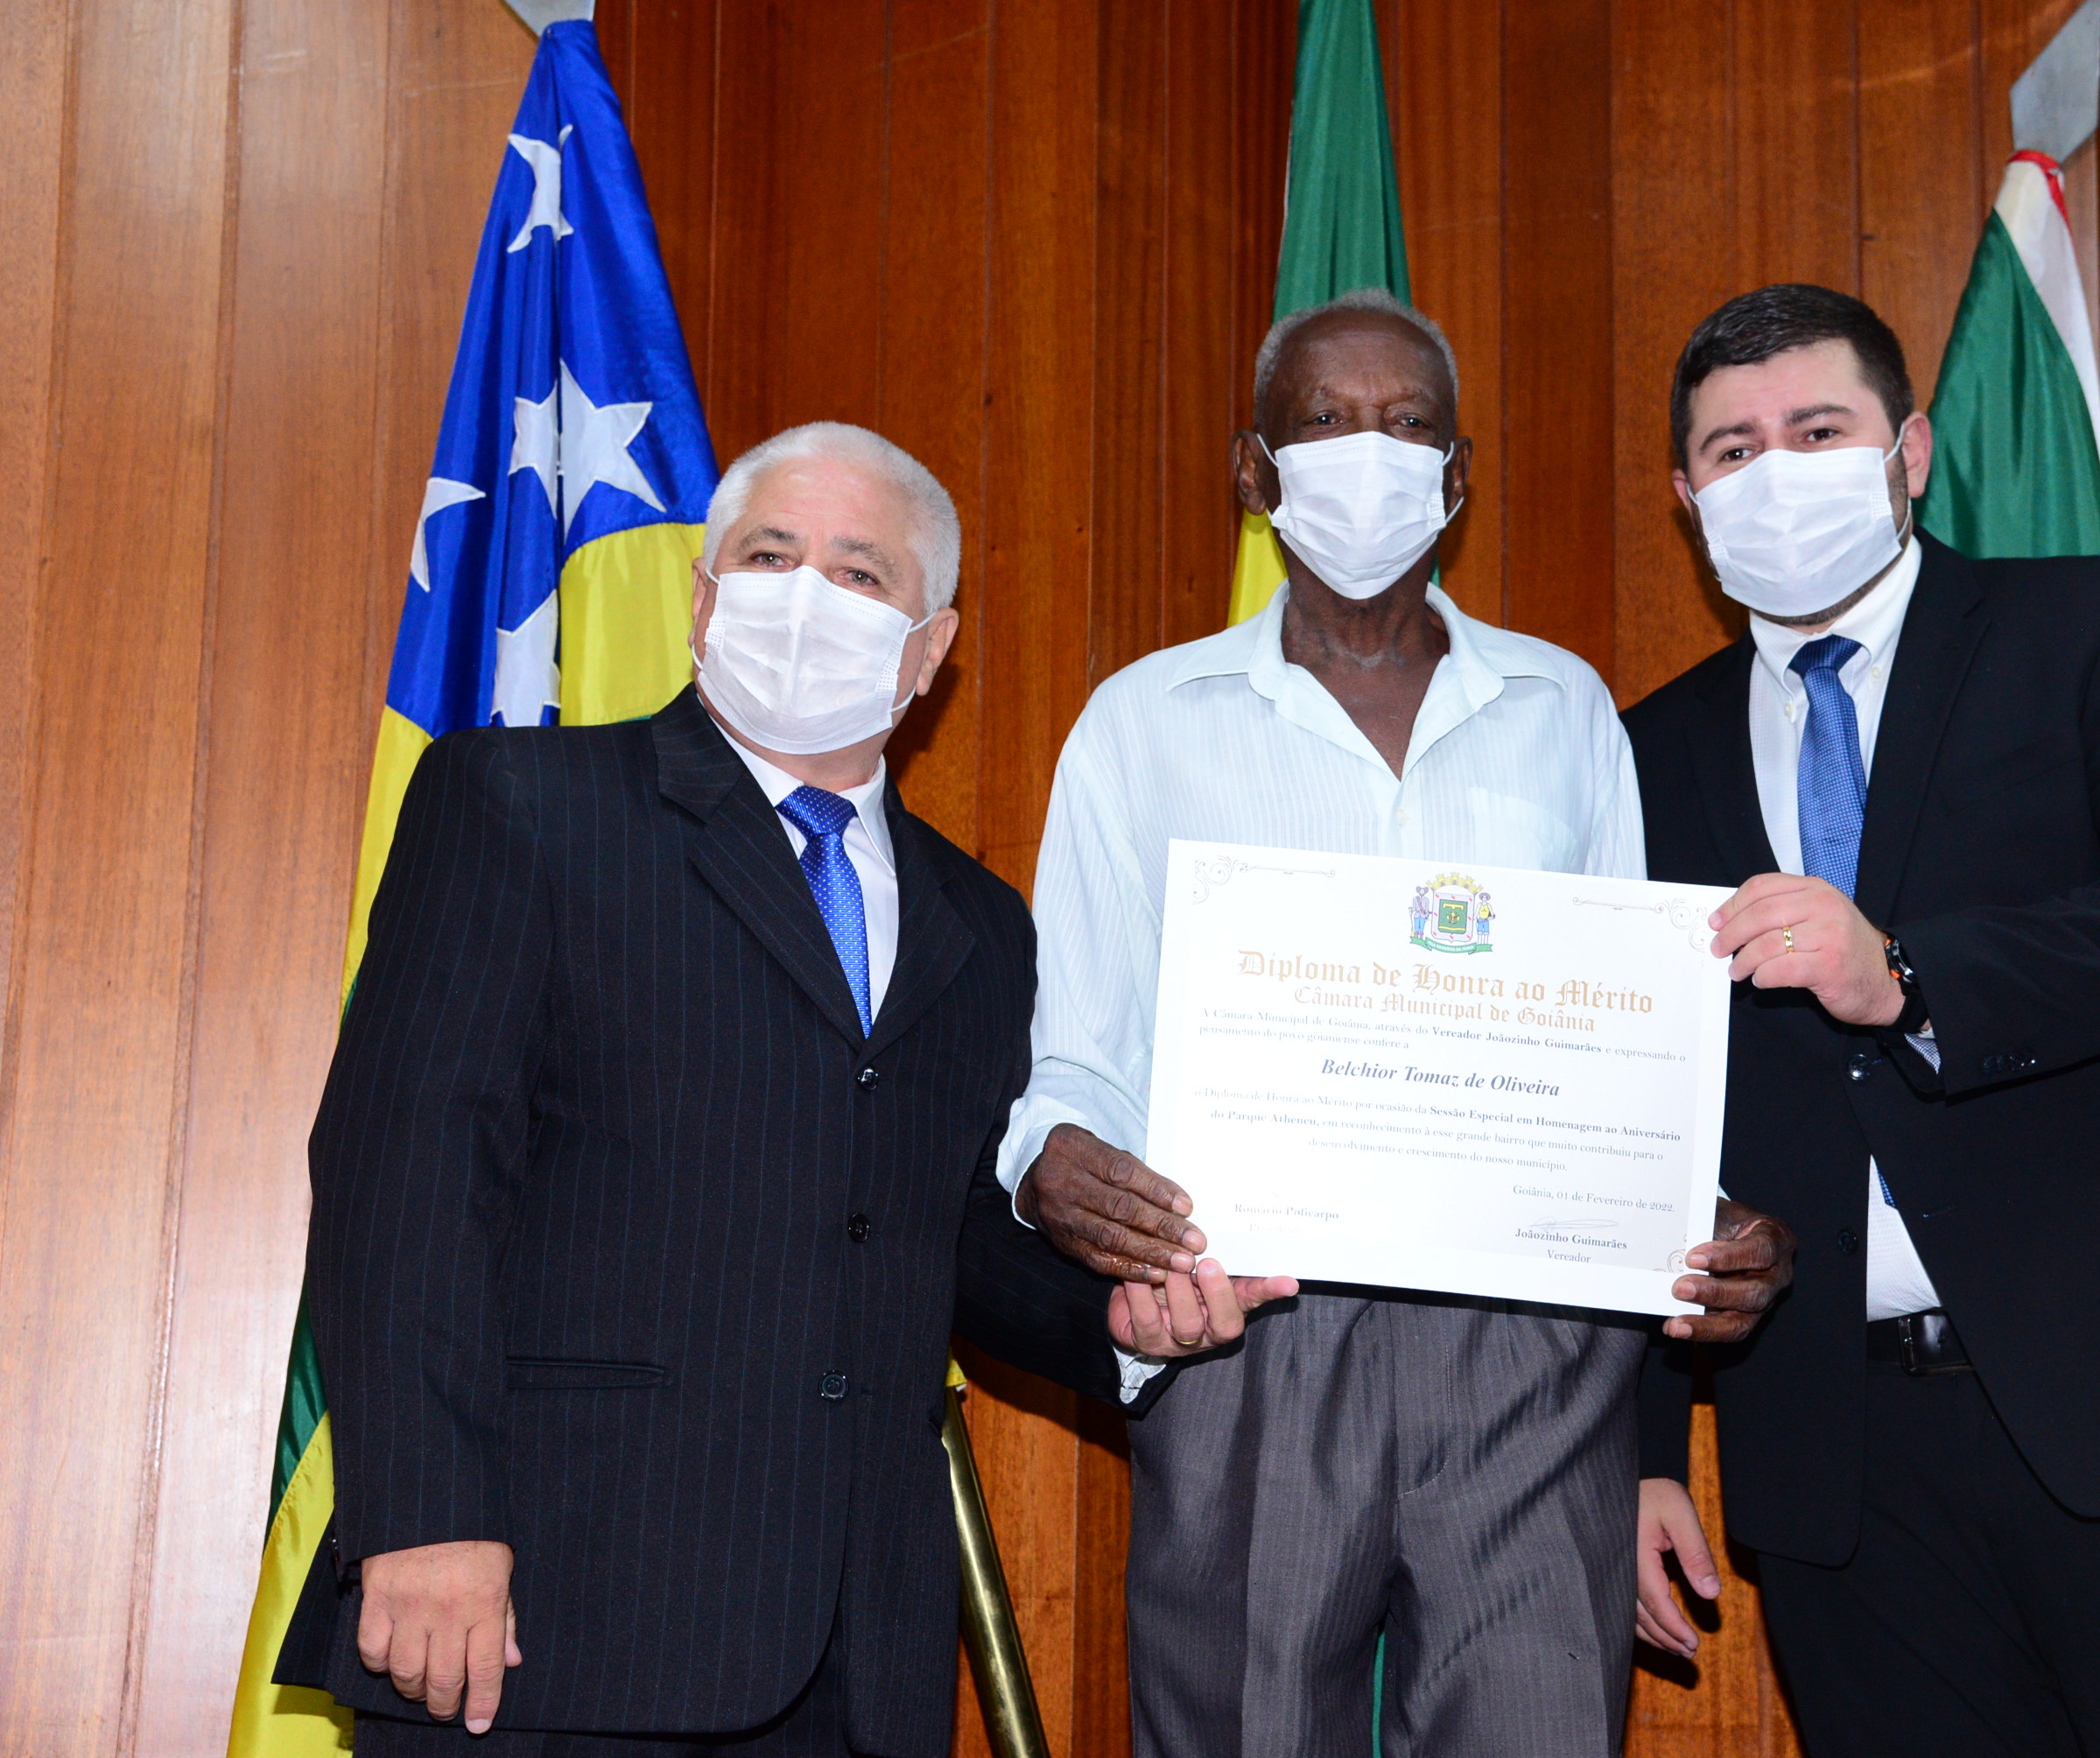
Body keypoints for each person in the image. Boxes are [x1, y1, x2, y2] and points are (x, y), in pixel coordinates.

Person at [291, 423, 1273, 1754]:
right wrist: (421, 1517)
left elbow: (942, 1235)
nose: (807, 596)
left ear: (929, 650)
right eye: (768, 556)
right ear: (704, 602)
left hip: (853, 1653)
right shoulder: (520, 804)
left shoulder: (981, 926)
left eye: (860, 573)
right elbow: (402, 1179)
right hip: (541, 1623)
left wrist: (1123, 1316)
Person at [998, 288, 1794, 1757]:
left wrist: (1687, 1205)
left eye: (1407, 423)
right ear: (1255, 469)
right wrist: (1051, 1162)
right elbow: (1080, 1054)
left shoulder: (1564, 709)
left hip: (1530, 1350)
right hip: (1252, 1333)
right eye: (1324, 420)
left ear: (1457, 474)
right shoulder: (1141, 720)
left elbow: (1628, 1052)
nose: (1367, 450)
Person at [1624, 285, 2100, 1756]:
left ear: (1909, 451)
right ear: (1687, 496)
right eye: (1733, 449)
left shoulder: (2093, 626)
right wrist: (1643, 1450)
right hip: (1839, 1465)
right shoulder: (1644, 750)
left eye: (1818, 431)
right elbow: (1638, 1107)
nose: (1775, 473)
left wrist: (1911, 975)